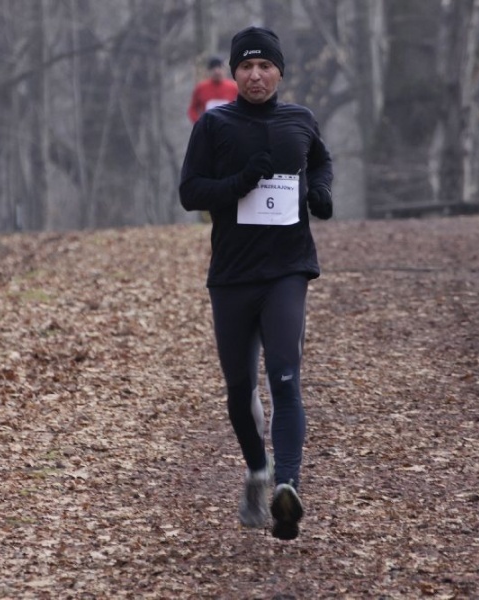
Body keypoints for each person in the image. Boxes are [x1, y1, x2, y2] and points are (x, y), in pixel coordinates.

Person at [179, 26, 333, 540]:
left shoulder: (300, 119)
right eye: (245, 66)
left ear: (280, 71)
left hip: (288, 269)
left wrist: (321, 191)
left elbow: (320, 159)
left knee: (286, 377)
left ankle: (287, 487)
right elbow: (190, 192)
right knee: (239, 388)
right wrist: (242, 182)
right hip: (232, 276)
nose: (255, 74)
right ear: (233, 73)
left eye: (265, 66)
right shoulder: (215, 124)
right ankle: (258, 471)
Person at [187, 56, 239, 124]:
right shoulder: (201, 88)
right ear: (208, 71)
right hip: (208, 128)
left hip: (229, 128)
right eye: (213, 68)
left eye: (219, 68)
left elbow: (242, 106)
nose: (217, 71)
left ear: (224, 70)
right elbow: (192, 109)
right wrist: (199, 123)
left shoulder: (234, 87)